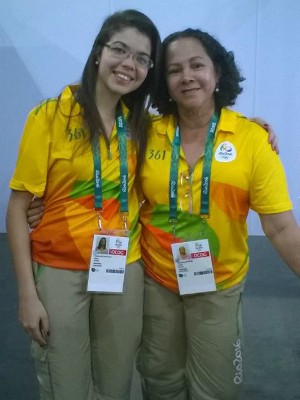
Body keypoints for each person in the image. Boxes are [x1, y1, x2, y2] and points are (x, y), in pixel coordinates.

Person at [135, 28, 300, 400]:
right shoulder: (146, 134)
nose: (187, 76)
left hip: (219, 285)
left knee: (215, 390)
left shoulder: (251, 140)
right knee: (160, 382)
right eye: (174, 70)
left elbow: (280, 227)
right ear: (164, 80)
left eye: (197, 65)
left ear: (218, 73)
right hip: (156, 279)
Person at [6, 9, 160, 400]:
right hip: (59, 269)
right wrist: (27, 295)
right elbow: (17, 208)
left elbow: (197, 127)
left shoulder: (141, 125)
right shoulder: (50, 116)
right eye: (120, 50)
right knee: (66, 384)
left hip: (122, 266)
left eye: (142, 58)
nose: (129, 65)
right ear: (98, 52)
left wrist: (256, 127)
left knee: (116, 381)